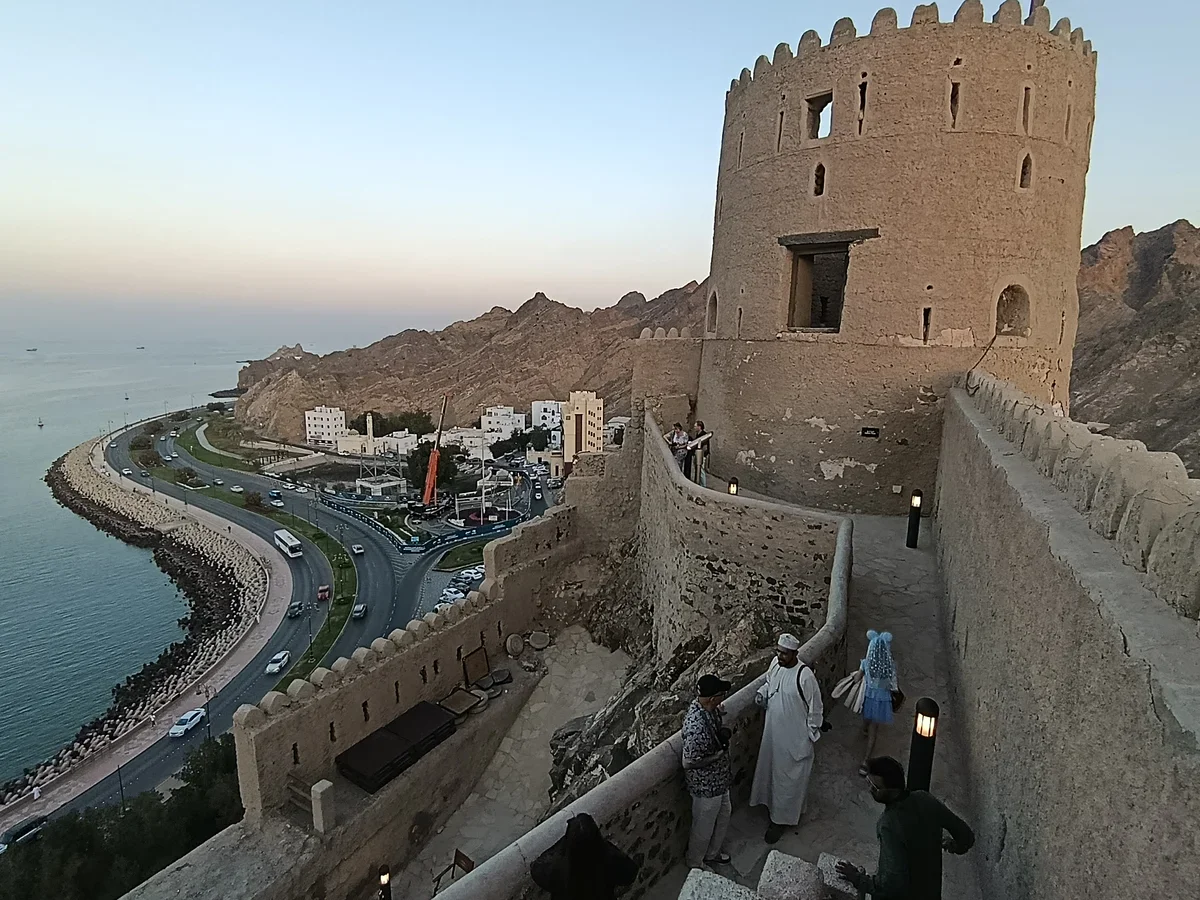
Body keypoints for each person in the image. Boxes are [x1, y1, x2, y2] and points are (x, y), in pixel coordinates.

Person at [836, 757, 975, 900]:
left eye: (876, 787)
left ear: (893, 791)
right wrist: (954, 845)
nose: (870, 789)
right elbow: (966, 837)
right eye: (869, 783)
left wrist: (858, 879)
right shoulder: (925, 799)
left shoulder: (889, 824)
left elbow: (891, 884)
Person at [750, 633, 825, 843]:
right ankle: (770, 808)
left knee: (787, 781)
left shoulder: (805, 676)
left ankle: (779, 821)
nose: (780, 656)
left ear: (795, 653)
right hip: (773, 734)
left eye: (784, 653)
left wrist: (809, 735)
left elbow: (816, 708)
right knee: (771, 774)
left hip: (794, 739)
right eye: (778, 652)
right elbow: (770, 683)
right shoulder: (775, 665)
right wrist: (762, 693)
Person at [682, 674, 733, 869]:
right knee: (703, 828)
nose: (723, 697)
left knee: (724, 815)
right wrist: (717, 756)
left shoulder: (708, 708)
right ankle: (695, 862)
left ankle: (712, 854)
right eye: (721, 695)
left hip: (720, 781)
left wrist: (719, 712)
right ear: (712, 698)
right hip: (706, 787)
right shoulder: (696, 727)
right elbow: (687, 762)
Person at [530, 812, 639, 900]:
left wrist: (566, 841)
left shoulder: (556, 870)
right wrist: (604, 846)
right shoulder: (610, 861)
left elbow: (536, 868)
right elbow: (630, 873)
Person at [859, 630, 898, 775]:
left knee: (866, 716)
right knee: (874, 730)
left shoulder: (866, 664)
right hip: (882, 701)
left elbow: (857, 678)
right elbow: (893, 686)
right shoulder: (890, 667)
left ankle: (864, 729)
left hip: (868, 697)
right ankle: (866, 760)